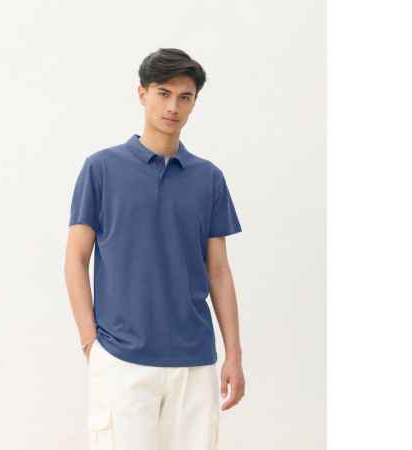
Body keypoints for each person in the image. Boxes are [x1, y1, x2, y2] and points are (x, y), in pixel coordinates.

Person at [64, 48, 246, 450]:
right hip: (121, 359)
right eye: (163, 93)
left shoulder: (208, 179)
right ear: (142, 93)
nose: (172, 107)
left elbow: (218, 271)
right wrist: (90, 343)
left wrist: (233, 354)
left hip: (195, 363)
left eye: (185, 97)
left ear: (194, 103)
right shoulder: (101, 169)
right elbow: (76, 258)